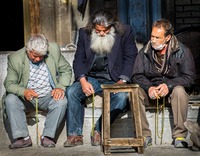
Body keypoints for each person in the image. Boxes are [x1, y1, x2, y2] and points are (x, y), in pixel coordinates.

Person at [63, 9, 138, 147]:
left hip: (115, 79)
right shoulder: (84, 33)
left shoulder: (125, 31)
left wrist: (122, 81)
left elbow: (131, 58)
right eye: (98, 31)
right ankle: (75, 135)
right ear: (93, 26)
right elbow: (78, 59)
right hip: (91, 77)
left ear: (113, 25)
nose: (102, 33)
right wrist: (83, 80)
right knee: (71, 92)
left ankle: (99, 130)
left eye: (105, 30)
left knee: (121, 98)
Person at [132, 19, 196, 148]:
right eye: (152, 36)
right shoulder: (144, 52)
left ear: (168, 38)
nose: (153, 40)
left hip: (172, 95)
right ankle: (143, 135)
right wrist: (149, 87)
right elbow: (136, 76)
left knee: (179, 91)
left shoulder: (183, 51)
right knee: (134, 92)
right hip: (152, 94)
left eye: (157, 37)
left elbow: (189, 78)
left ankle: (179, 136)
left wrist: (169, 85)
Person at [3, 34, 72, 149]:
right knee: (10, 99)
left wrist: (60, 87)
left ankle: (48, 137)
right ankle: (23, 138)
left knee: (61, 101)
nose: (38, 59)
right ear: (28, 50)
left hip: (48, 96)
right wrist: (23, 91)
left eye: (41, 56)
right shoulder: (15, 58)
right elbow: (9, 84)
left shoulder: (53, 50)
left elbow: (66, 69)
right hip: (26, 98)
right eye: (35, 56)